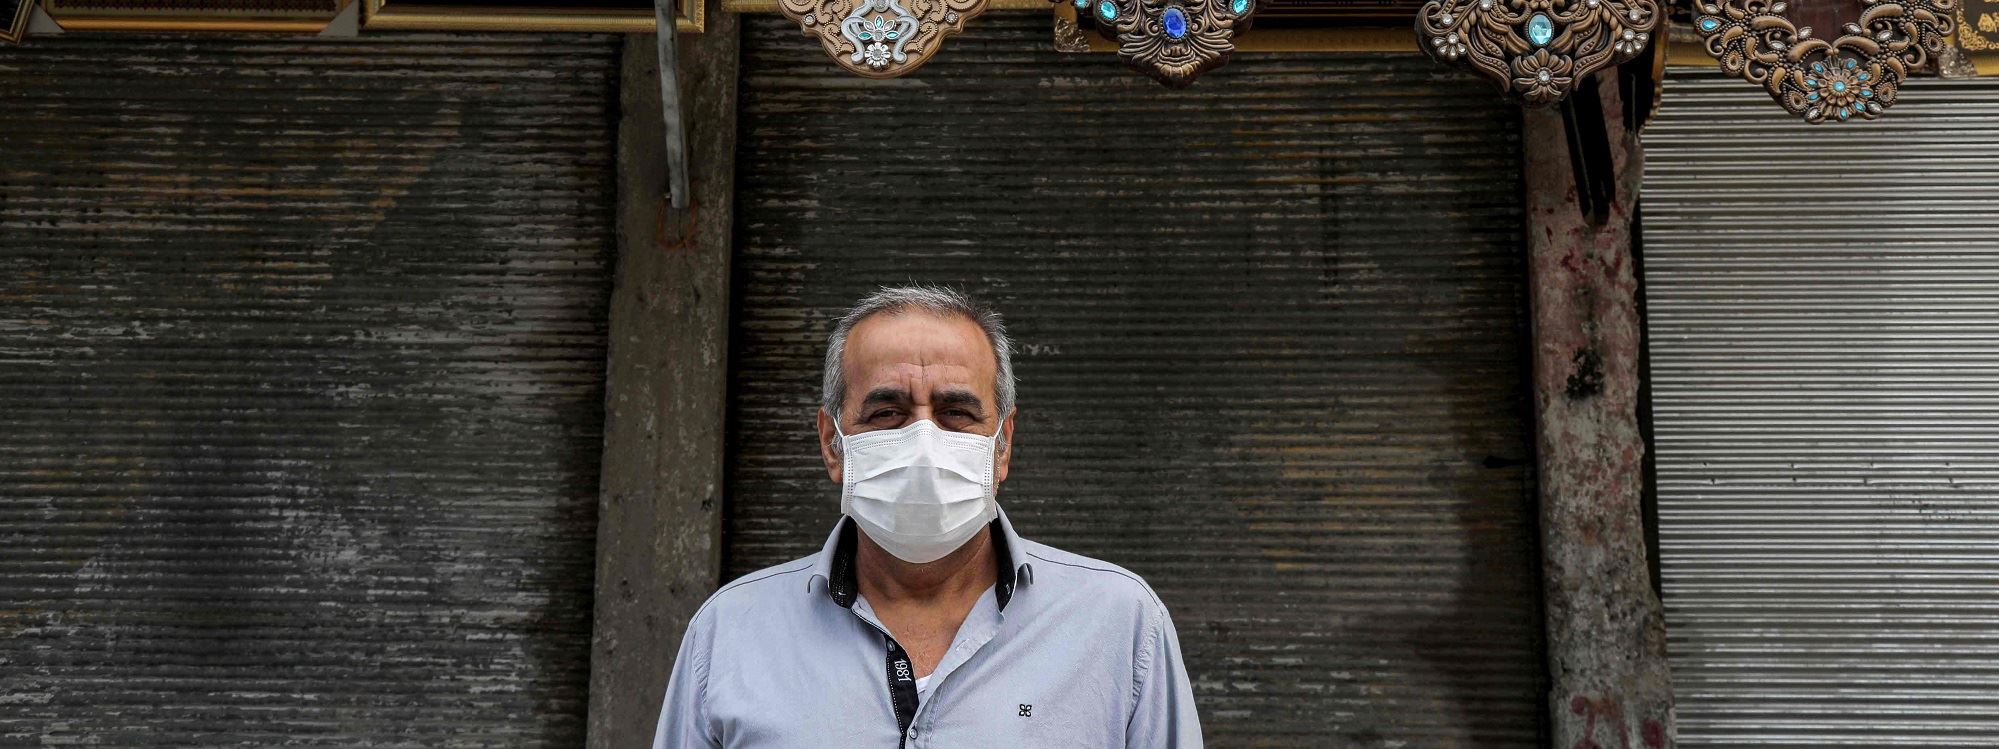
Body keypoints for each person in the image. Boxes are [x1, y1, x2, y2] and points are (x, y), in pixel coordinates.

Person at [650, 284, 1201, 747]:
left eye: (955, 412)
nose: (922, 442)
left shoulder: (1122, 628)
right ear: (832, 443)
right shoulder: (728, 635)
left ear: (1001, 446)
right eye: (886, 412)